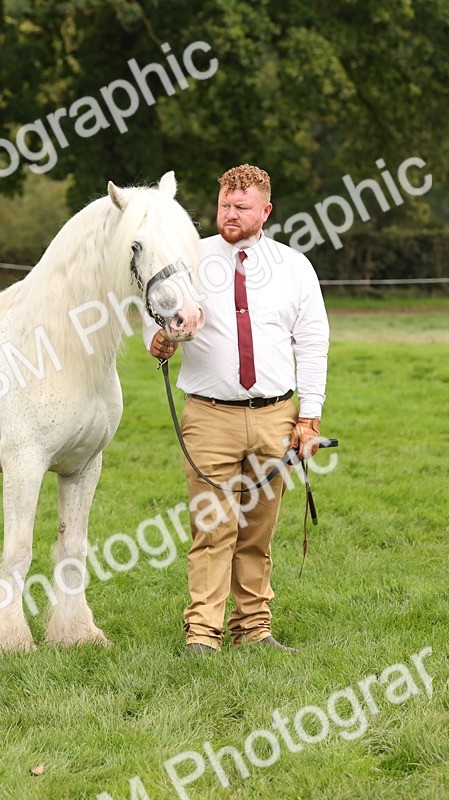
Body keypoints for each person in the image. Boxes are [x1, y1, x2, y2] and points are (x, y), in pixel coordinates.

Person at [142, 164, 329, 656]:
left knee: (258, 530)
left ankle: (254, 629)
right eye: (225, 204)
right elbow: (153, 311)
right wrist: (159, 339)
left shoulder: (293, 267)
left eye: (241, 207)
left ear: (265, 210)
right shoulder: (190, 260)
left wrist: (309, 417)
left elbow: (312, 343)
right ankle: (202, 633)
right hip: (209, 417)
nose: (230, 213)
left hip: (275, 416)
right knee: (212, 529)